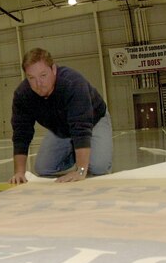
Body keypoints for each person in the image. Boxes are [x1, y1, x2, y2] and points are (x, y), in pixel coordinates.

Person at [9, 47, 113, 184]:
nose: (38, 83)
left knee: (98, 167)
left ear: (54, 69)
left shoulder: (73, 84)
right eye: (31, 78)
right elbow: (21, 133)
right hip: (61, 129)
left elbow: (81, 127)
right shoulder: (23, 95)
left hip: (94, 121)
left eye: (43, 75)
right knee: (43, 168)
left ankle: (85, 155)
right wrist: (19, 172)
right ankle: (77, 152)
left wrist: (81, 170)